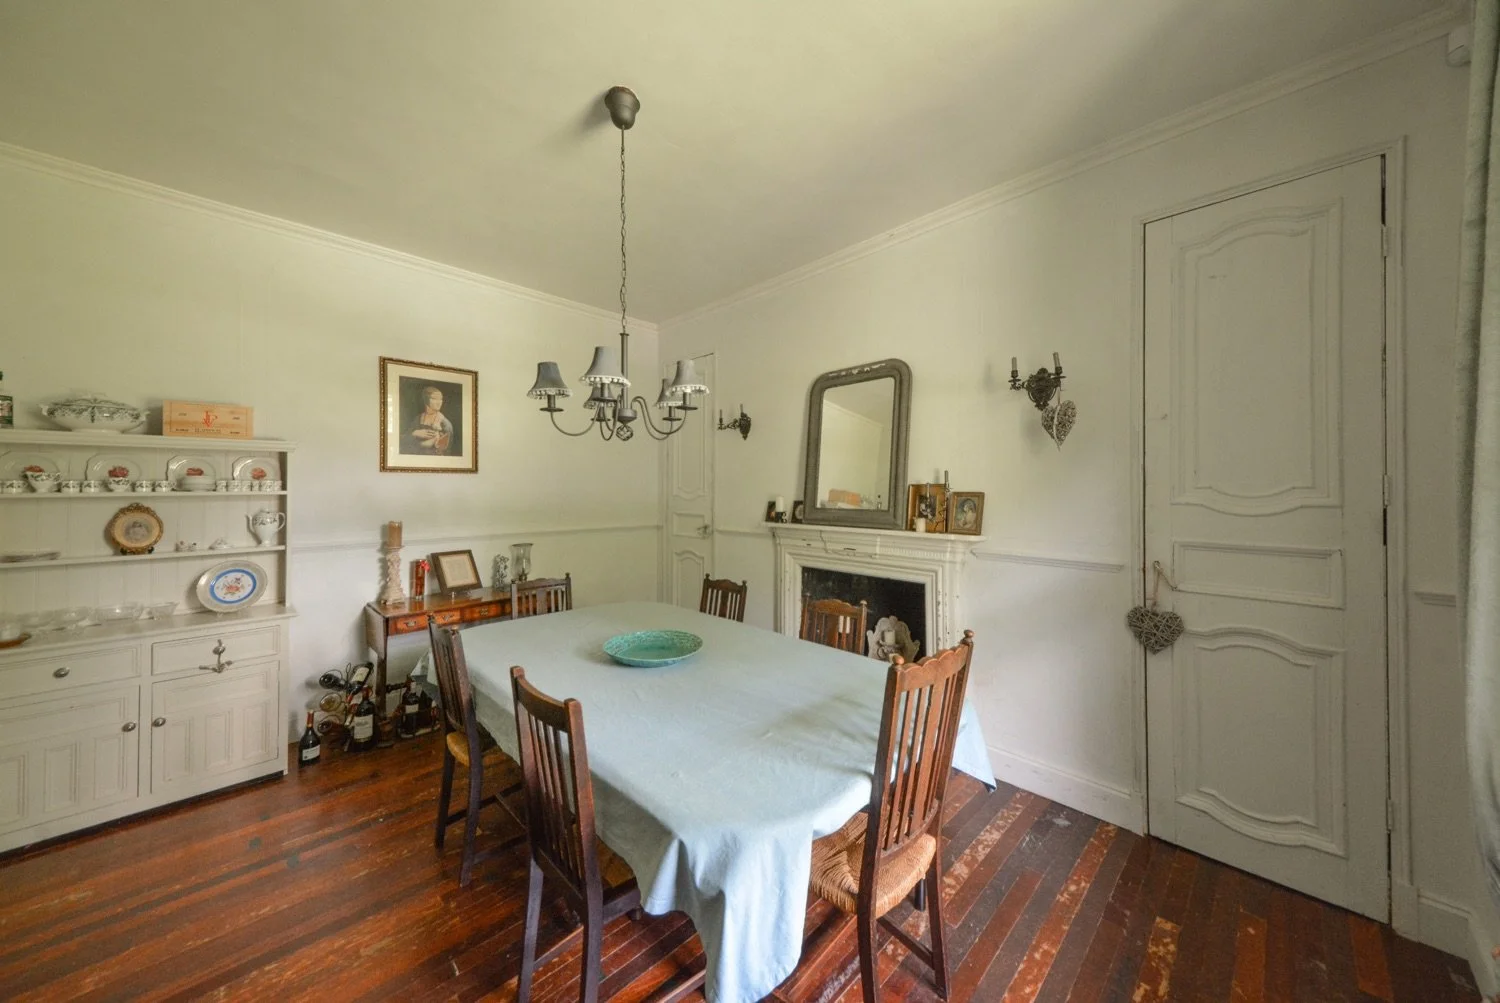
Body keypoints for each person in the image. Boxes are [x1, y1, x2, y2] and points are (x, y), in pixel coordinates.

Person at [406, 386, 453, 454]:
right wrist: (414, 433)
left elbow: (445, 452)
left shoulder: (445, 423)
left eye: (440, 399)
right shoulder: (418, 419)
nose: (439, 402)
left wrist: (435, 443)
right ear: (426, 400)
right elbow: (404, 444)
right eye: (434, 399)